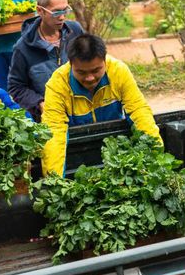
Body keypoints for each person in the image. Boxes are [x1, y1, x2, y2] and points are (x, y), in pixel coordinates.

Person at [41, 34, 161, 176]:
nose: (90, 78)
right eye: (81, 72)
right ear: (71, 64)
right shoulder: (57, 85)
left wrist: (156, 156)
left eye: (96, 70)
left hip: (115, 148)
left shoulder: (118, 71)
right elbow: (53, 133)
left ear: (105, 61)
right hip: (78, 152)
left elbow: (139, 112)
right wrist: (54, 180)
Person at [8, 0, 84, 121]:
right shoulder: (23, 47)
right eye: (56, 12)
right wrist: (39, 103)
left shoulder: (76, 32)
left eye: (65, 10)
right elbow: (16, 87)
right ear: (40, 11)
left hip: (82, 110)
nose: (62, 17)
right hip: (49, 118)